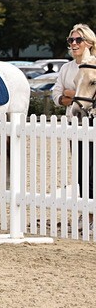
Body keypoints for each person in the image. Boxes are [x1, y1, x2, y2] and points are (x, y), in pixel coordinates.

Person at [53, 23, 96, 198]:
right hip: (74, 121)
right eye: (71, 40)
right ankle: (87, 206)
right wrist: (74, 96)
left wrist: (71, 93)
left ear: (89, 43)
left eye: (78, 40)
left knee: (92, 167)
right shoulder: (66, 68)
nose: (74, 43)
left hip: (93, 121)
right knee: (81, 168)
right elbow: (56, 96)